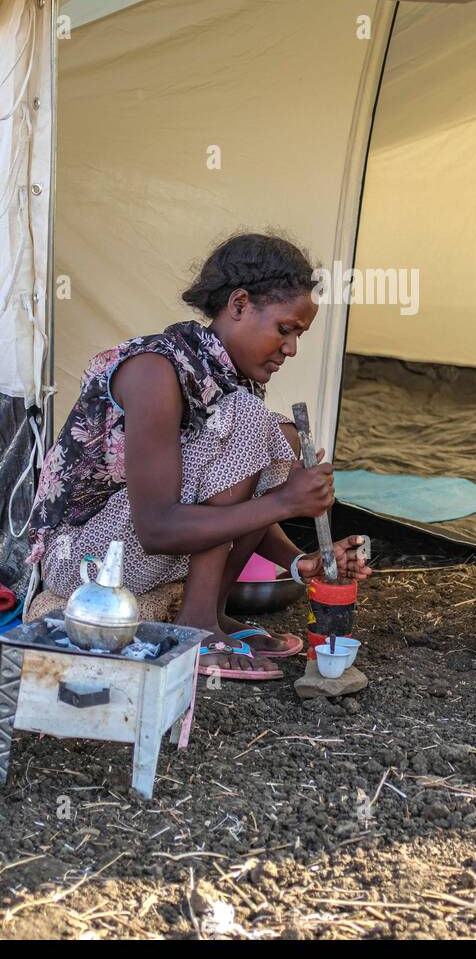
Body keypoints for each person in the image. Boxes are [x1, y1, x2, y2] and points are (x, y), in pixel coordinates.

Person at [25, 231, 371, 679]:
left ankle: (213, 611)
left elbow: (230, 496)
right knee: (252, 421)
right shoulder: (155, 370)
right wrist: (287, 501)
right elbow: (157, 528)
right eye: (285, 329)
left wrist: (298, 562)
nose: (291, 349)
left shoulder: (226, 379)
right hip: (85, 561)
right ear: (240, 304)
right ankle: (197, 624)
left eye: (299, 335)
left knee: (277, 433)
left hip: (133, 546)